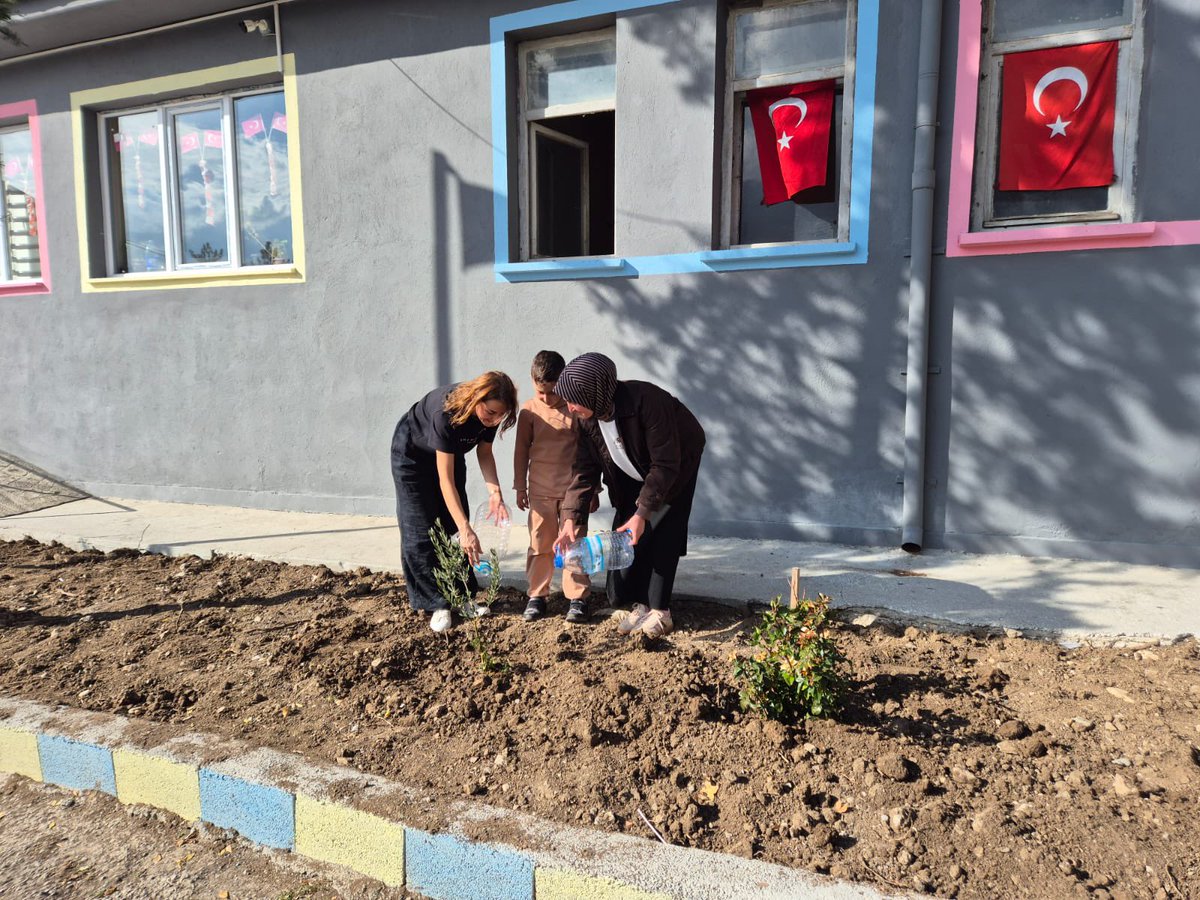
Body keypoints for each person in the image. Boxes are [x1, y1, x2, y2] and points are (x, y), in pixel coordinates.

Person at [554, 353, 705, 639]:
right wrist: (570, 518)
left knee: (662, 530)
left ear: (594, 393)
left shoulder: (648, 402)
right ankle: (641, 605)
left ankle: (660, 611)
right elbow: (584, 470)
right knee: (629, 535)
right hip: (630, 467)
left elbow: (665, 465)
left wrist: (643, 513)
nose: (569, 408)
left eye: (575, 400)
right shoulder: (587, 419)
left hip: (675, 464)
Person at [390, 372, 517, 632]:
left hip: (449, 452)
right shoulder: (445, 413)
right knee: (421, 528)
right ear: (477, 399)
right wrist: (466, 528)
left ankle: (461, 597)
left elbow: (485, 452)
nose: (494, 420)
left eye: (500, 416)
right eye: (490, 413)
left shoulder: (491, 414)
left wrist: (495, 493)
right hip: (412, 455)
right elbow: (445, 482)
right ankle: (436, 604)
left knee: (453, 526)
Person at [513, 351, 596, 624]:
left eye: (552, 392)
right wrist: (520, 487)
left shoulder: (574, 410)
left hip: (573, 492)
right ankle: (537, 595)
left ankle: (578, 598)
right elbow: (521, 450)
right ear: (532, 382)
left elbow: (591, 453)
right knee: (540, 544)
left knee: (575, 545)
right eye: (541, 392)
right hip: (540, 491)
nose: (547, 399)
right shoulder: (529, 411)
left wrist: (594, 491)